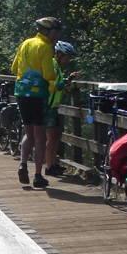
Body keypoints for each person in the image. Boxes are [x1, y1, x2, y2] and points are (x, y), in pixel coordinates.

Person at [10, 17, 61, 188]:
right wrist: (58, 82)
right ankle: (38, 175)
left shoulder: (26, 43)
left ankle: (23, 164)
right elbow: (48, 75)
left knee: (28, 132)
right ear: (48, 31)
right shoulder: (46, 47)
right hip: (38, 94)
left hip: (20, 92)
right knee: (40, 137)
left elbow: (13, 67)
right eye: (56, 30)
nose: (58, 34)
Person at [44, 40, 80, 175]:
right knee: (51, 138)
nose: (68, 60)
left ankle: (53, 163)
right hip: (49, 106)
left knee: (56, 136)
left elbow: (59, 85)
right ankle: (49, 167)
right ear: (59, 54)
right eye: (67, 56)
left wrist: (68, 79)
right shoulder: (52, 65)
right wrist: (62, 85)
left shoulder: (57, 67)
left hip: (54, 106)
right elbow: (51, 84)